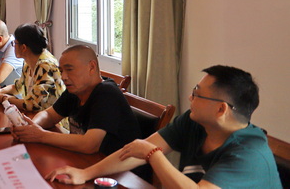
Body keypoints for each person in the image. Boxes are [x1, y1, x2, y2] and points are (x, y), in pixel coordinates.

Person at [47, 65, 282, 188]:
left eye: (196, 94)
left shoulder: (249, 154)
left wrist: (153, 155)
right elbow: (135, 151)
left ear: (221, 109)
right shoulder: (194, 122)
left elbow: (148, 151)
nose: (190, 98)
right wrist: (85, 173)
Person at [11, 44, 140, 155]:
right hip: (88, 160)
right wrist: (31, 127)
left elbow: (90, 144)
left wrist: (41, 135)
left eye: (69, 69)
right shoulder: (76, 90)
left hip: (122, 170)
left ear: (91, 67)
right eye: (61, 71)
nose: (64, 77)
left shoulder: (107, 93)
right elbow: (49, 115)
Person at [0, 23, 65, 111]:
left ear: (24, 47)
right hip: (36, 115)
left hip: (50, 117)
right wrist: (0, 90)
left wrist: (4, 98)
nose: (13, 46)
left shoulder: (45, 66)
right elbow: (18, 86)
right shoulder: (28, 62)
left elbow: (32, 104)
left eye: (15, 43)